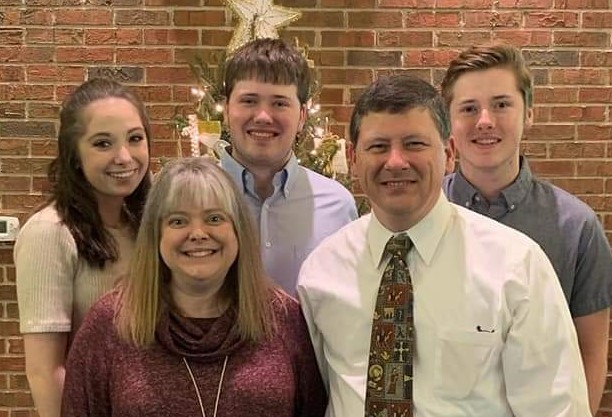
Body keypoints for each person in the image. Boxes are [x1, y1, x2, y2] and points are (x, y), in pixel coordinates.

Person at [297, 74, 590, 416]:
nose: (396, 162)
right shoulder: (322, 272)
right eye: (378, 147)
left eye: (414, 144)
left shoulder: (516, 267)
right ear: (353, 157)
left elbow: (557, 408)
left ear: (449, 153)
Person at [61, 157, 327, 417]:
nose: (198, 233)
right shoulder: (110, 323)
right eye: (178, 221)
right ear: (156, 235)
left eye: (214, 219)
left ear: (238, 231)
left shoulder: (284, 319)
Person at [440, 43, 612, 414]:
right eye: (468, 108)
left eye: (502, 104)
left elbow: (590, 352)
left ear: (529, 114)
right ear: (448, 122)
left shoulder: (576, 228)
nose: (485, 121)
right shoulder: (419, 216)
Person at [14, 78, 151, 417]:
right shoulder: (50, 233)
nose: (124, 157)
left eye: (135, 139)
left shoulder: (146, 226)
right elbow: (45, 372)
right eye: (103, 143)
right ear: (74, 154)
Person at [220, 37, 358, 293]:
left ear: (302, 116)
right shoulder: (189, 198)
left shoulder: (338, 206)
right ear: (227, 110)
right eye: (249, 101)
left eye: (280, 103)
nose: (263, 116)